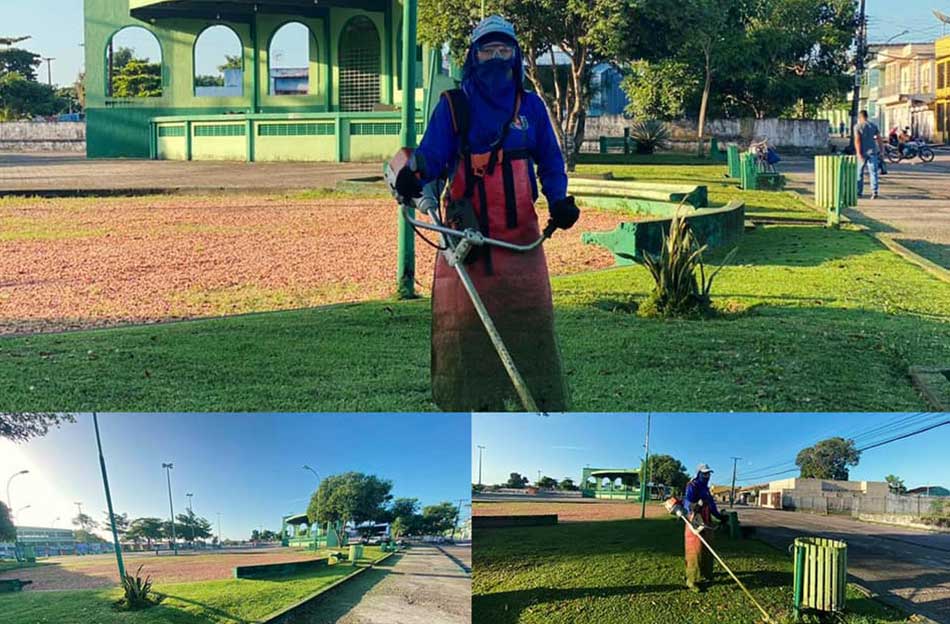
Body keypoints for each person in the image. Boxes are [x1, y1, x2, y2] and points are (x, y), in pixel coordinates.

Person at [392, 15, 579, 412]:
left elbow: (549, 158)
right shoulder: (454, 107)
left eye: (504, 50)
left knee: (529, 328)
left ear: (516, 57)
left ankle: (535, 402)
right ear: (473, 57)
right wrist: (414, 176)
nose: (496, 57)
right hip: (469, 244)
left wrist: (559, 200)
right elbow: (432, 157)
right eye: (488, 50)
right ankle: (472, 405)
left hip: (522, 243)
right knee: (469, 332)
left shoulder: (530, 107)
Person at [683, 464, 726, 592]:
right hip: (694, 521)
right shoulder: (693, 485)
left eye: (708, 473)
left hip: (707, 521)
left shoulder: (706, 489)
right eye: (704, 473)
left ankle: (707, 573)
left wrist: (720, 517)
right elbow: (686, 501)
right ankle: (692, 580)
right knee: (694, 551)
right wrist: (692, 506)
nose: (707, 476)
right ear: (698, 474)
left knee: (708, 548)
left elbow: (712, 506)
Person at [853, 110, 884, 199]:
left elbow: (857, 140)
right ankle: (874, 191)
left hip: (862, 153)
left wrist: (858, 153)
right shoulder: (873, 126)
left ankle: (859, 192)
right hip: (872, 152)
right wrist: (881, 150)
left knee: (859, 173)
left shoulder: (858, 127)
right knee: (873, 173)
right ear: (867, 116)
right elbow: (879, 139)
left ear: (860, 117)